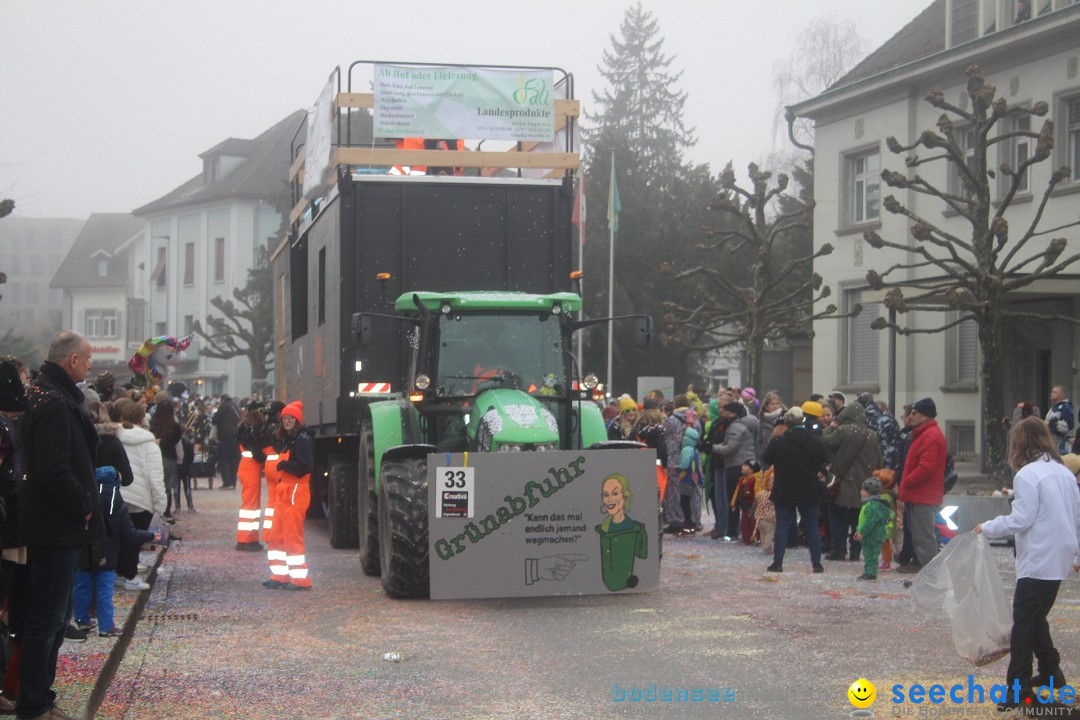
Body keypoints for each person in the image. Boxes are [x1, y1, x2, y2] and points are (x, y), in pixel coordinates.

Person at [17, 331, 106, 720]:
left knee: (52, 618)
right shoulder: (53, 401)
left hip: (54, 524)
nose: (90, 367)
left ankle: (40, 696)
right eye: (87, 360)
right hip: (56, 526)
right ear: (71, 360)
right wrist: (85, 504)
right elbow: (53, 469)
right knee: (48, 619)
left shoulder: (47, 394)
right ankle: (34, 702)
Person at [975, 418, 1080, 709]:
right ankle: (1050, 672)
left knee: (1024, 622)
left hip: (1038, 555)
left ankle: (1018, 687)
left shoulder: (1028, 475)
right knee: (1035, 617)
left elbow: (1022, 519)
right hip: (1059, 554)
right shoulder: (1063, 472)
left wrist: (989, 526)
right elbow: (1077, 516)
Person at [72, 467, 159, 638]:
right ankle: (106, 627)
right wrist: (150, 536)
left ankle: (82, 621)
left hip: (85, 553)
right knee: (104, 592)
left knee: (81, 588)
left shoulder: (85, 499)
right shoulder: (118, 505)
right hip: (108, 556)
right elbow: (129, 534)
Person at [762, 410, 828, 573]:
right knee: (812, 525)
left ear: (787, 423)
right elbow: (824, 459)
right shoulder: (815, 441)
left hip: (785, 487)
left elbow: (766, 459)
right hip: (809, 488)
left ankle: (777, 563)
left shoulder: (779, 442)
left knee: (783, 525)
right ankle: (816, 563)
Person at [115, 401, 166, 592]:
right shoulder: (149, 443)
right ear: (142, 419)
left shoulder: (114, 437)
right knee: (134, 538)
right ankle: (129, 574)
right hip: (140, 497)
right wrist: (160, 505)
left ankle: (118, 573)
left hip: (118, 493)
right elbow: (155, 477)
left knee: (118, 537)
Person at [822, 402, 882, 563]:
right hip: (864, 484)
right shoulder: (872, 435)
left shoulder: (842, 431)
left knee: (837, 516)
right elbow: (878, 460)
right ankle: (856, 551)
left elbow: (826, 441)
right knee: (859, 519)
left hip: (842, 482)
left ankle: (839, 550)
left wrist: (830, 428)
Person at [263, 402, 314, 590]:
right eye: (285, 418)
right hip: (285, 491)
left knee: (292, 536)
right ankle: (279, 575)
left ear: (297, 421)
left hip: (296, 491)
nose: (287, 421)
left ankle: (300, 580)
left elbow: (306, 466)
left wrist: (284, 466)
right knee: (277, 535)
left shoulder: (302, 440)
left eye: (290, 418)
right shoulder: (289, 439)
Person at [896, 397, 947, 574]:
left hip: (923, 495)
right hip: (919, 494)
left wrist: (907, 481)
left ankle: (932, 573)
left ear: (924, 415)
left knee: (924, 537)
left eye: (914, 413)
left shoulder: (930, 436)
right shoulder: (923, 434)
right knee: (920, 535)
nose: (910, 416)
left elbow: (926, 467)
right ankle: (927, 569)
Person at [704, 401, 759, 543]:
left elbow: (730, 448)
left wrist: (713, 448)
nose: (725, 414)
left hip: (736, 465)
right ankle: (745, 531)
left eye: (727, 412)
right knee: (744, 501)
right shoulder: (746, 425)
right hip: (745, 464)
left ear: (734, 413)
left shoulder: (736, 426)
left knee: (734, 501)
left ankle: (732, 532)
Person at [853, 476, 892, 581]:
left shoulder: (872, 506)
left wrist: (862, 532)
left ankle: (871, 572)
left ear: (870, 492)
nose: (861, 492)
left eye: (864, 490)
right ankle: (868, 571)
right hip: (869, 535)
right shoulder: (869, 504)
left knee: (871, 555)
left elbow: (870, 522)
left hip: (873, 536)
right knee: (868, 554)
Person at [150, 399, 183, 520]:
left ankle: (157, 509)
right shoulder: (174, 425)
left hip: (155, 456)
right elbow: (176, 441)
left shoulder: (152, 423)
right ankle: (167, 510)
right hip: (169, 456)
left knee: (157, 484)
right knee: (168, 485)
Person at [857, 392, 903, 472]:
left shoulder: (861, 421)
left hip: (871, 467)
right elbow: (900, 440)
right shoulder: (888, 418)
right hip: (893, 466)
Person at [213, 395, 241, 489]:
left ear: (222, 400)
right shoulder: (235, 407)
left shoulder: (224, 407)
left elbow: (214, 420)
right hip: (236, 437)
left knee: (224, 460)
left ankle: (227, 483)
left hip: (225, 437)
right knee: (234, 460)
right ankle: (233, 482)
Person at [1045, 385, 1074, 456]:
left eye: (1054, 392)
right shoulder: (1055, 407)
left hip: (1062, 447)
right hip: (1053, 445)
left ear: (1061, 395)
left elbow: (1064, 427)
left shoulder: (1065, 408)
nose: (1051, 393)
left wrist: (1049, 424)